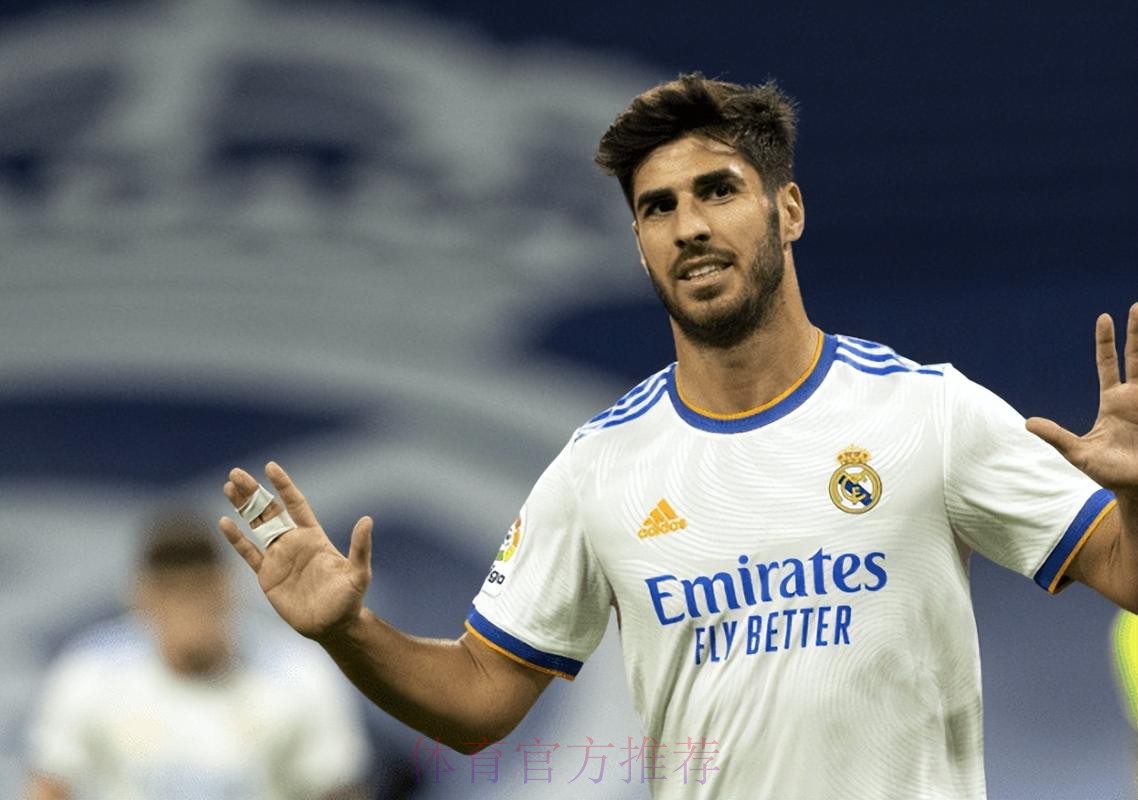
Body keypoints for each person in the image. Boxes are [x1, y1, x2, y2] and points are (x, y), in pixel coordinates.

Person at [218, 74, 1138, 798]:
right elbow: (477, 700)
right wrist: (349, 633)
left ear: (788, 210)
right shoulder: (598, 467)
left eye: (718, 190)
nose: (689, 226)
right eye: (657, 207)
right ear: (639, 242)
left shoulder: (927, 411)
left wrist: (1135, 496)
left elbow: (1124, 572)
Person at [25, 510, 373, 800]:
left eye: (200, 588)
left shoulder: (296, 672)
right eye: (172, 590)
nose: (188, 607)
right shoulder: (89, 673)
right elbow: (49, 786)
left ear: (228, 590)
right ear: (142, 597)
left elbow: (336, 789)